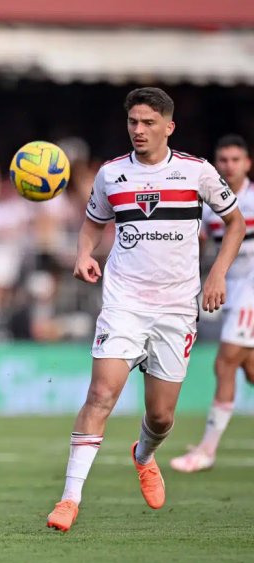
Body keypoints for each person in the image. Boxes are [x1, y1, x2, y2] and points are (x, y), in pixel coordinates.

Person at [45, 87, 245, 532]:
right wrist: (83, 253)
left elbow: (234, 223)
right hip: (125, 302)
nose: (138, 129)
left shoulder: (196, 172)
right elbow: (93, 222)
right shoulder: (111, 174)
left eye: (148, 122)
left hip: (177, 308)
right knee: (101, 394)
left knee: (160, 416)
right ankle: (69, 499)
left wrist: (217, 275)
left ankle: (144, 454)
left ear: (169, 127)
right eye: (133, 122)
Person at [171, 135, 254, 472]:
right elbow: (199, 243)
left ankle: (207, 450)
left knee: (225, 363)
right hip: (231, 291)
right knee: (249, 369)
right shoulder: (210, 206)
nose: (229, 166)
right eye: (223, 160)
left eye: (235, 160)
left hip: (252, 291)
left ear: (247, 164)